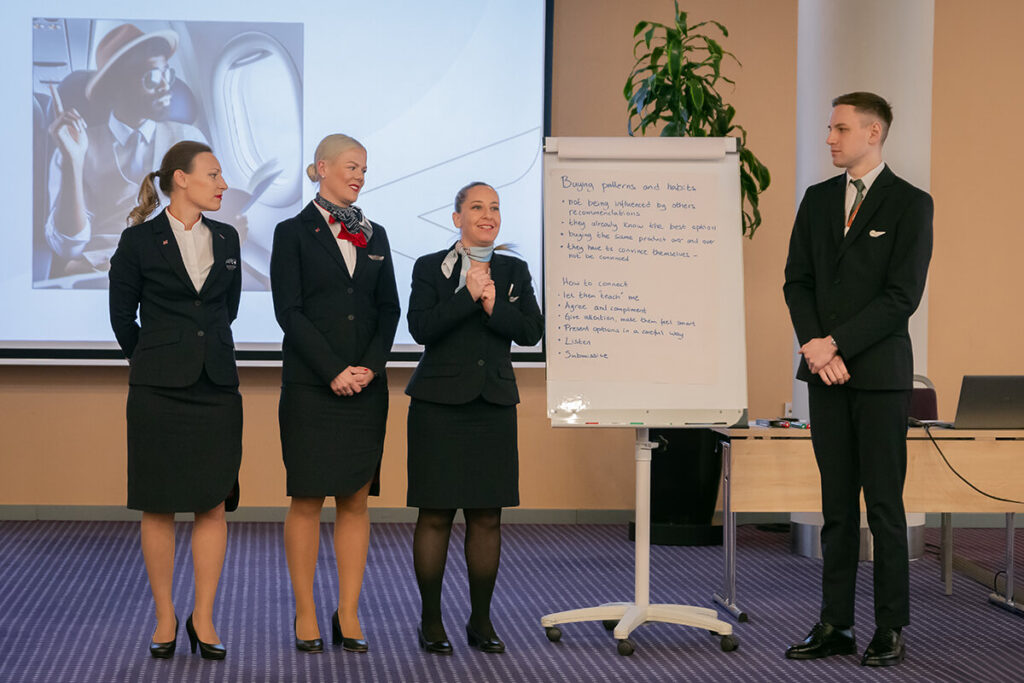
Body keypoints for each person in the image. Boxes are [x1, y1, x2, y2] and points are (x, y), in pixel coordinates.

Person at [782, 92, 933, 667]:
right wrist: (816, 348)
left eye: (840, 129)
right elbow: (797, 281)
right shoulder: (818, 199)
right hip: (826, 376)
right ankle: (835, 623)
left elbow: (902, 297)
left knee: (885, 508)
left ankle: (890, 626)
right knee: (837, 508)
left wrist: (836, 344)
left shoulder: (911, 204)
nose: (829, 138)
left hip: (879, 378)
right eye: (830, 128)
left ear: (873, 133)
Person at [108, 140, 242, 660]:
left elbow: (226, 310)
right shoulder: (138, 240)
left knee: (213, 502)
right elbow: (122, 319)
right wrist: (156, 360)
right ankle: (165, 616)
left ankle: (203, 617)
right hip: (158, 391)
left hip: (216, 388)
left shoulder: (227, 237)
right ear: (181, 178)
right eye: (214, 174)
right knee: (158, 503)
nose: (223, 184)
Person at [270, 134, 400, 654]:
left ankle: (348, 610)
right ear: (322, 168)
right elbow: (289, 311)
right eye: (351, 167)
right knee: (307, 499)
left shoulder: (375, 234)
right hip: (312, 387)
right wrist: (332, 371)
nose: (359, 177)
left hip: (365, 389)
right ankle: (305, 610)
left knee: (355, 500)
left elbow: (388, 309)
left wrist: (369, 367)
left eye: (364, 169)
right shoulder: (291, 232)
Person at [405, 182, 544, 655]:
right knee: (436, 514)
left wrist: (492, 304)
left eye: (495, 208)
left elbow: (531, 332)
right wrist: (467, 296)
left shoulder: (514, 270)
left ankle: (481, 621)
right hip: (438, 407)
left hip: (493, 406)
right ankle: (431, 621)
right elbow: (421, 328)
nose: (489, 215)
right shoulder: (430, 267)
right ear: (456, 217)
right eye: (478, 207)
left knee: (487, 516)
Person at [47, 23, 207, 275]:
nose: (165, 86)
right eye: (152, 77)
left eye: (167, 74)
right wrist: (73, 163)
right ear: (116, 87)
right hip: (102, 270)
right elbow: (68, 247)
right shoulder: (77, 146)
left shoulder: (189, 140)